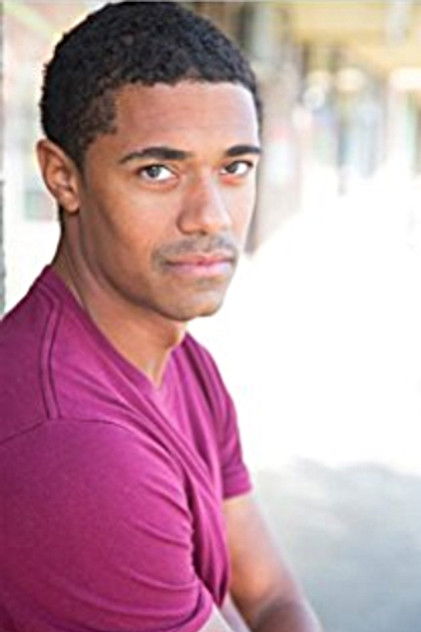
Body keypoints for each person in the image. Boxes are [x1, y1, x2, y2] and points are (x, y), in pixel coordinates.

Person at [0, 2, 323, 631]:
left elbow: (272, 596)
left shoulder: (185, 364)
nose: (211, 216)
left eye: (234, 168)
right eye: (158, 171)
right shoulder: (73, 448)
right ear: (63, 177)